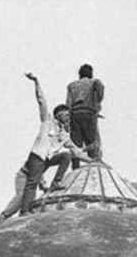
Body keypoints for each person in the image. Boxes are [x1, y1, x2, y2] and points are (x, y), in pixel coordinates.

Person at [19, 73, 92, 216]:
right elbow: (41, 102)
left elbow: (76, 151)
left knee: (66, 156)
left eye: (68, 116)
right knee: (32, 183)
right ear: (58, 115)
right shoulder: (48, 121)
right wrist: (36, 82)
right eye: (65, 115)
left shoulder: (64, 134)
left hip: (46, 159)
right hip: (37, 157)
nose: (68, 118)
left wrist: (92, 161)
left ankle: (56, 182)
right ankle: (24, 211)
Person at [66, 63, 105, 167]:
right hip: (89, 113)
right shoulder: (94, 82)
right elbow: (100, 89)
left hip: (75, 115)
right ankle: (94, 165)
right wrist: (97, 103)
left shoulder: (71, 85)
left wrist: (67, 120)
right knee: (91, 142)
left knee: (75, 144)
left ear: (80, 74)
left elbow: (68, 104)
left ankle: (75, 168)